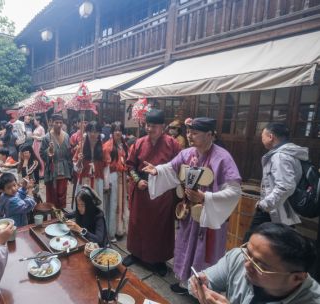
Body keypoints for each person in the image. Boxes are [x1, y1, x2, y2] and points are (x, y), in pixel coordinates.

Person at [145, 117, 241, 293]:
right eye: (188, 132)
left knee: (203, 252)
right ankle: (185, 283)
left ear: (209, 135)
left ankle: (203, 291)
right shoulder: (187, 153)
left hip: (208, 216)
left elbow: (234, 191)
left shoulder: (223, 158)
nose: (189, 136)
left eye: (194, 133)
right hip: (189, 213)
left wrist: (205, 198)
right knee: (185, 246)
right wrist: (157, 171)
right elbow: (171, 169)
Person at [189, 223, 320, 304]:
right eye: (248, 252)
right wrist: (201, 287)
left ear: (297, 278)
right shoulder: (239, 257)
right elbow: (193, 283)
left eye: (260, 265)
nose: (246, 265)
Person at [122, 109, 181, 276]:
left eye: (154, 126)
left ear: (162, 126)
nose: (149, 129)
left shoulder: (173, 144)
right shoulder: (139, 143)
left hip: (162, 193)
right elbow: (130, 166)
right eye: (148, 125)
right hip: (142, 189)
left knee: (160, 227)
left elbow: (179, 167)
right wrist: (137, 180)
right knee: (137, 223)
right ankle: (135, 253)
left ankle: (159, 259)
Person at [246, 122, 308, 236]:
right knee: (278, 243)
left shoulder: (280, 156)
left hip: (274, 209)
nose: (261, 139)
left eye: (262, 136)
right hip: (281, 207)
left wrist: (264, 204)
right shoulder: (289, 153)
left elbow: (286, 186)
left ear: (271, 137)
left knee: (250, 242)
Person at [102, 121, 129, 243]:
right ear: (112, 132)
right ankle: (110, 232)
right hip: (112, 176)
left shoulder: (124, 145)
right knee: (112, 204)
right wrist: (106, 183)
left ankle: (120, 229)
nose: (118, 132)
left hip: (122, 177)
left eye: (120, 130)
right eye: (115, 130)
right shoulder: (107, 146)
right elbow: (105, 167)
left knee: (121, 203)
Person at [40, 114, 73, 209]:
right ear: (51, 123)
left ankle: (61, 214)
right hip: (52, 169)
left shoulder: (66, 136)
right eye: (56, 122)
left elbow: (69, 154)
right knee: (52, 194)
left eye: (60, 123)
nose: (59, 125)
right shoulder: (46, 138)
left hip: (64, 169)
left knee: (62, 194)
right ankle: (53, 217)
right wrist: (49, 151)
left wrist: (70, 168)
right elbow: (41, 153)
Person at [73, 121, 105, 207]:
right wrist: (79, 160)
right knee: (84, 206)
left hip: (98, 180)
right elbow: (76, 168)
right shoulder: (81, 146)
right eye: (90, 131)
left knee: (96, 206)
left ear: (99, 133)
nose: (93, 134)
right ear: (87, 132)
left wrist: (106, 184)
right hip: (84, 180)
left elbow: (105, 167)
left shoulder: (103, 148)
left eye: (95, 131)